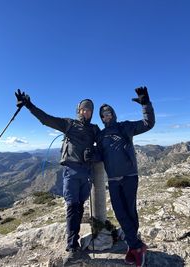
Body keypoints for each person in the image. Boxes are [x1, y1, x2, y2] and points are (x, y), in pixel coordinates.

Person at [15, 89, 100, 266]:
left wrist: (95, 155)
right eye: (83, 109)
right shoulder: (68, 124)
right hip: (71, 171)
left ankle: (74, 242)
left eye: (89, 110)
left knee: (79, 208)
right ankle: (71, 247)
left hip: (86, 174)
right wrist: (29, 105)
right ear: (79, 111)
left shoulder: (94, 129)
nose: (86, 112)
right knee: (72, 207)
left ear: (92, 112)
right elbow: (46, 119)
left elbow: (103, 147)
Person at [97, 87, 155, 267]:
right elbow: (101, 156)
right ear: (102, 118)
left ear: (113, 114)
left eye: (109, 113)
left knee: (130, 211)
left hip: (130, 176)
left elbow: (148, 123)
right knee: (120, 213)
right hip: (113, 180)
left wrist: (145, 104)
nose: (107, 116)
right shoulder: (100, 135)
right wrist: (90, 156)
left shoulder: (125, 127)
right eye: (103, 115)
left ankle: (134, 247)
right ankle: (137, 245)